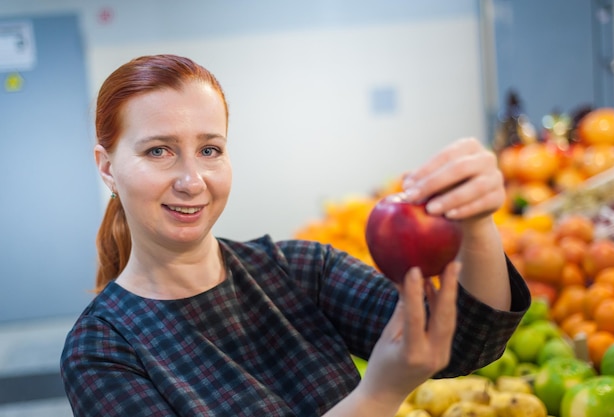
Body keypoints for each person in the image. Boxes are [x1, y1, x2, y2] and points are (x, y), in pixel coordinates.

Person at [60, 54, 530, 417]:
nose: (191, 179)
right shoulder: (102, 350)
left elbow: (468, 342)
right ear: (107, 167)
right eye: (159, 151)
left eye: (210, 149)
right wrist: (380, 394)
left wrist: (476, 220)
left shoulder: (299, 271)